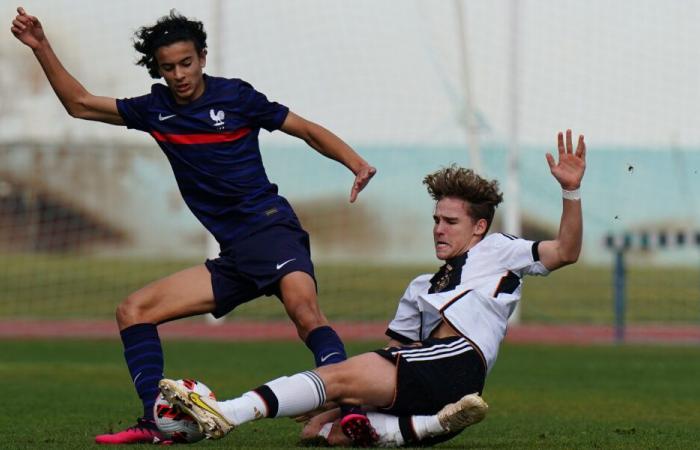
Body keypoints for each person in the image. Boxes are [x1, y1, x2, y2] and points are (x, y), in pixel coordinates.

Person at [11, 7, 377, 445]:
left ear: (202, 57)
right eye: (169, 67)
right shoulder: (155, 110)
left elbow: (304, 129)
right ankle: (155, 421)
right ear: (159, 69)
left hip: (270, 227)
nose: (180, 74)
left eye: (187, 63)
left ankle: (352, 412)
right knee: (133, 312)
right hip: (235, 254)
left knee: (306, 314)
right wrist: (41, 47)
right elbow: (80, 104)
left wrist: (354, 162)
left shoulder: (236, 98)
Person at [158, 129, 586, 447]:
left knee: (337, 378)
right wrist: (335, 404)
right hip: (431, 382)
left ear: (478, 227)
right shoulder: (420, 286)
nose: (438, 229)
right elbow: (393, 349)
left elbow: (565, 250)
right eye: (436, 219)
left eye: (450, 222)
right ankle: (436, 424)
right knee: (322, 433)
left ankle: (226, 413)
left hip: (456, 362)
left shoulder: (498, 249)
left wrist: (571, 191)